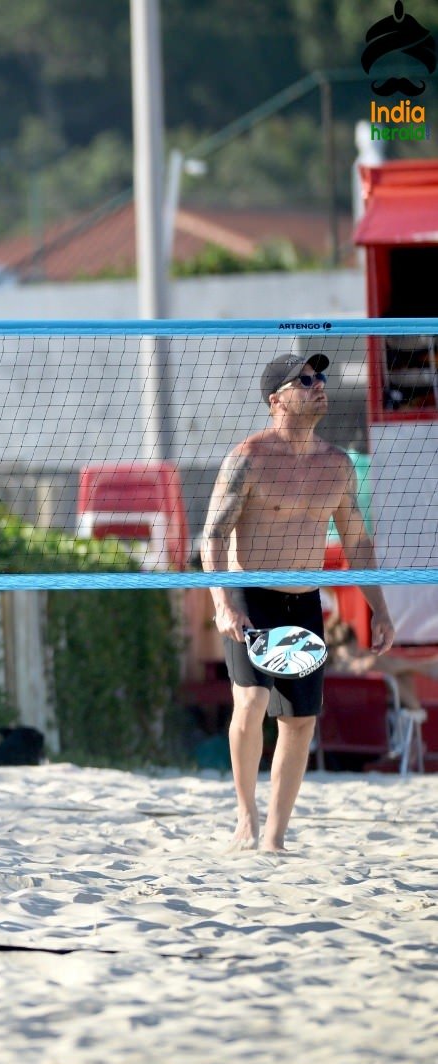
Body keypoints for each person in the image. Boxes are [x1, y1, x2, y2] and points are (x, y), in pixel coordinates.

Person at [201, 351, 395, 852]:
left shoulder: (337, 465)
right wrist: (223, 602)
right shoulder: (248, 457)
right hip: (251, 593)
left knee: (301, 720)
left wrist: (380, 606)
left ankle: (274, 837)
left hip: (303, 598)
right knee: (252, 700)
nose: (318, 385)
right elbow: (213, 536)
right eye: (304, 380)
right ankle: (245, 814)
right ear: (276, 400)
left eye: (320, 377)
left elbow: (358, 543)